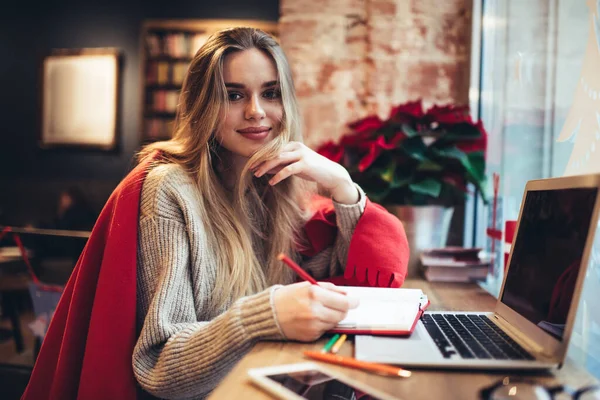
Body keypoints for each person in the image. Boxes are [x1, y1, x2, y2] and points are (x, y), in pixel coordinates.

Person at [22, 28, 409, 400]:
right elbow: (158, 368)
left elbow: (341, 283)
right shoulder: (169, 190)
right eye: (234, 95)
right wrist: (265, 315)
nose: (256, 112)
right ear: (203, 105)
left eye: (270, 93)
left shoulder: (275, 183)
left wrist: (342, 185)